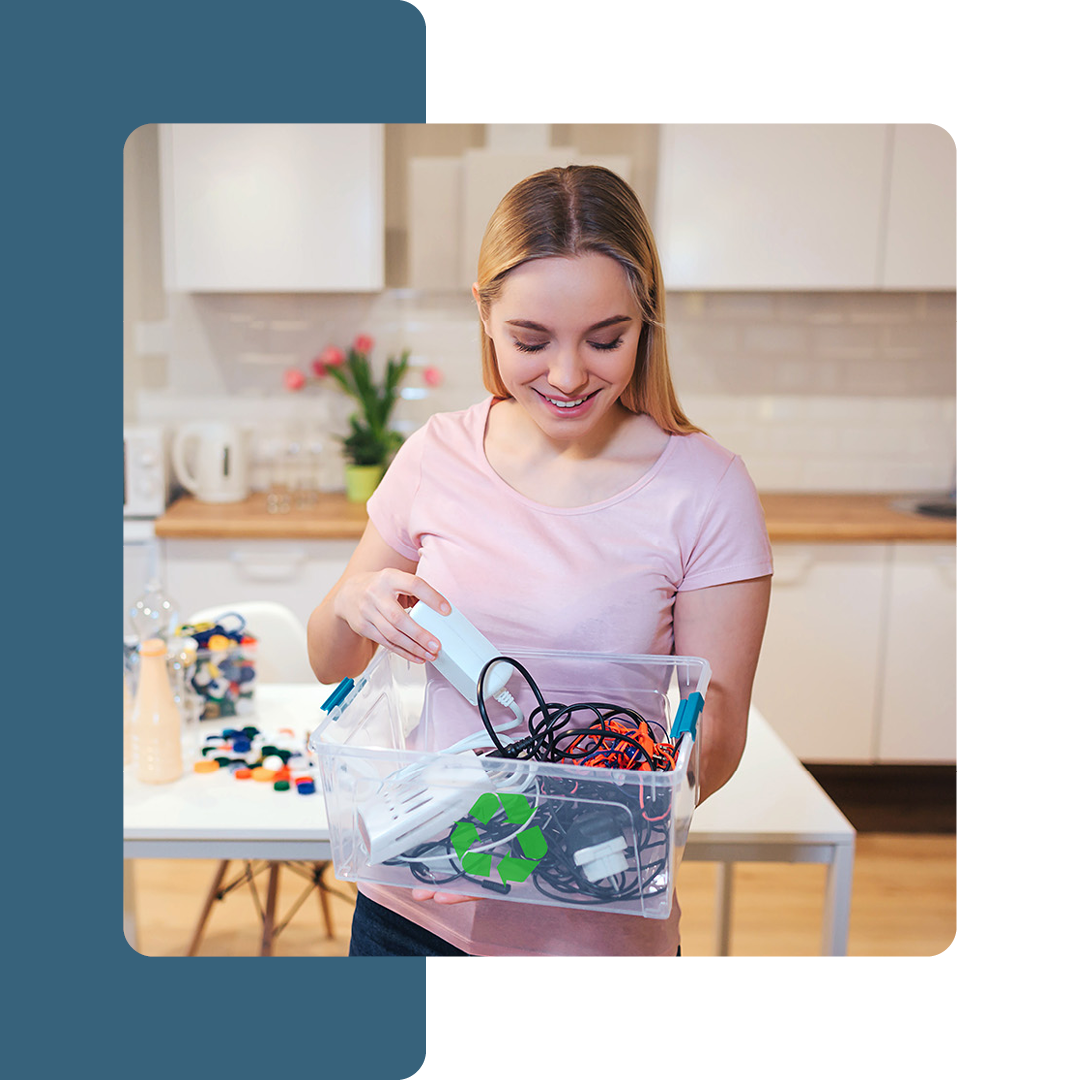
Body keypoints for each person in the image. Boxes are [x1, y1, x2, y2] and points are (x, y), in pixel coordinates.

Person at [307, 164, 773, 957]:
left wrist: (552, 807)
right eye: (531, 340)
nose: (565, 376)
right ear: (484, 315)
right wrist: (355, 599)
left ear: (646, 321)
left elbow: (714, 751)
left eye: (606, 339)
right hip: (414, 908)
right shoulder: (435, 454)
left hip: (592, 922)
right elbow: (329, 659)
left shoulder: (707, 489)